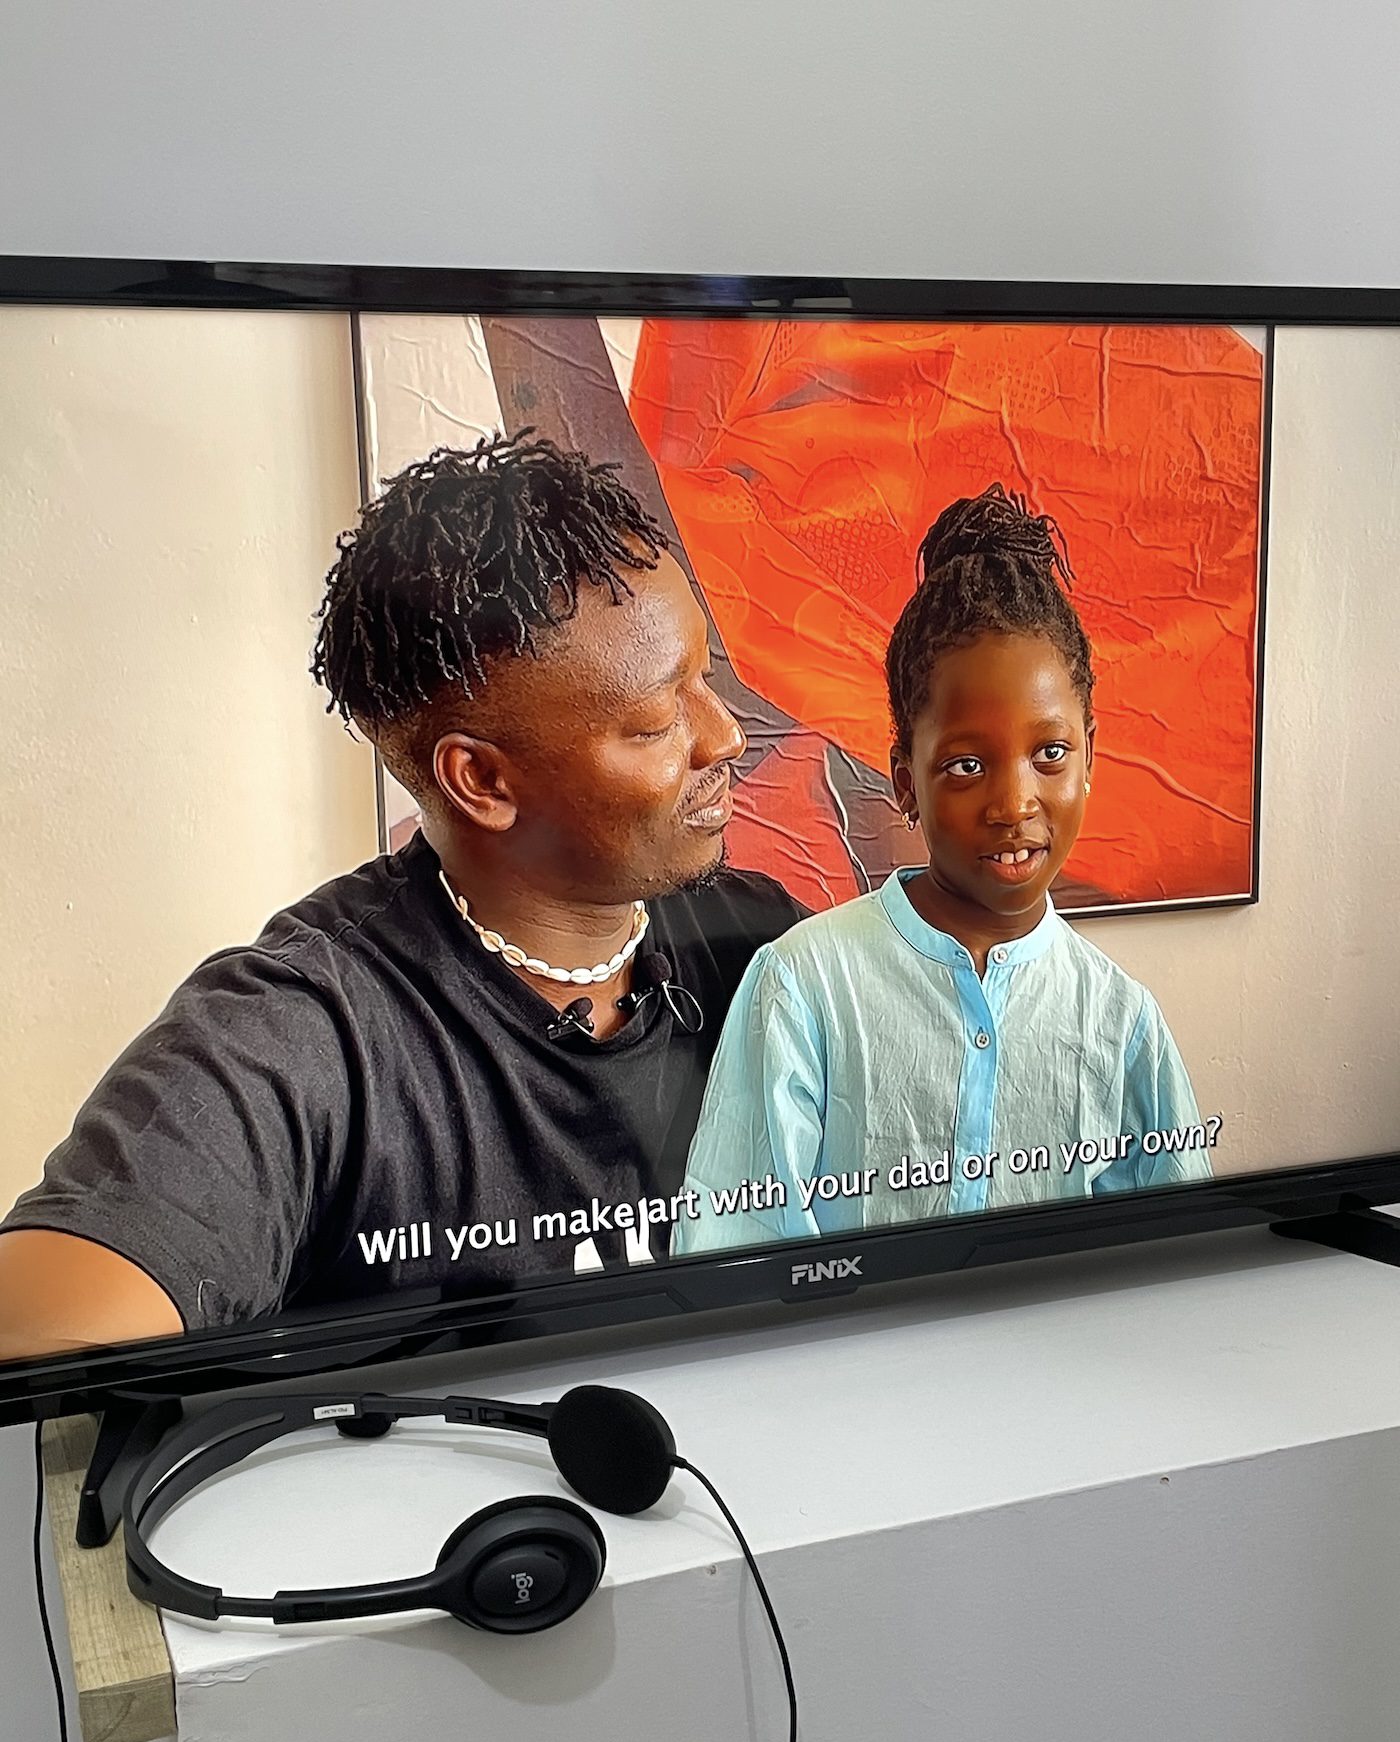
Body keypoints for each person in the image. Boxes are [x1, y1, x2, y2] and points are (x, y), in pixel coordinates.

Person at [0, 433, 803, 1362]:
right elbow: (40, 1329)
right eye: (659, 719)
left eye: (707, 677)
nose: (726, 736)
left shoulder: (762, 945)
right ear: (482, 782)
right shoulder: (305, 1033)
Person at [673, 484, 1212, 1254]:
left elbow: (1173, 1269)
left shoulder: (1122, 1024)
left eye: (1050, 753)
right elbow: (733, 1252)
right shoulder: (805, 985)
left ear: (1089, 756)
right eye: (965, 764)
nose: (1014, 801)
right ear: (904, 779)